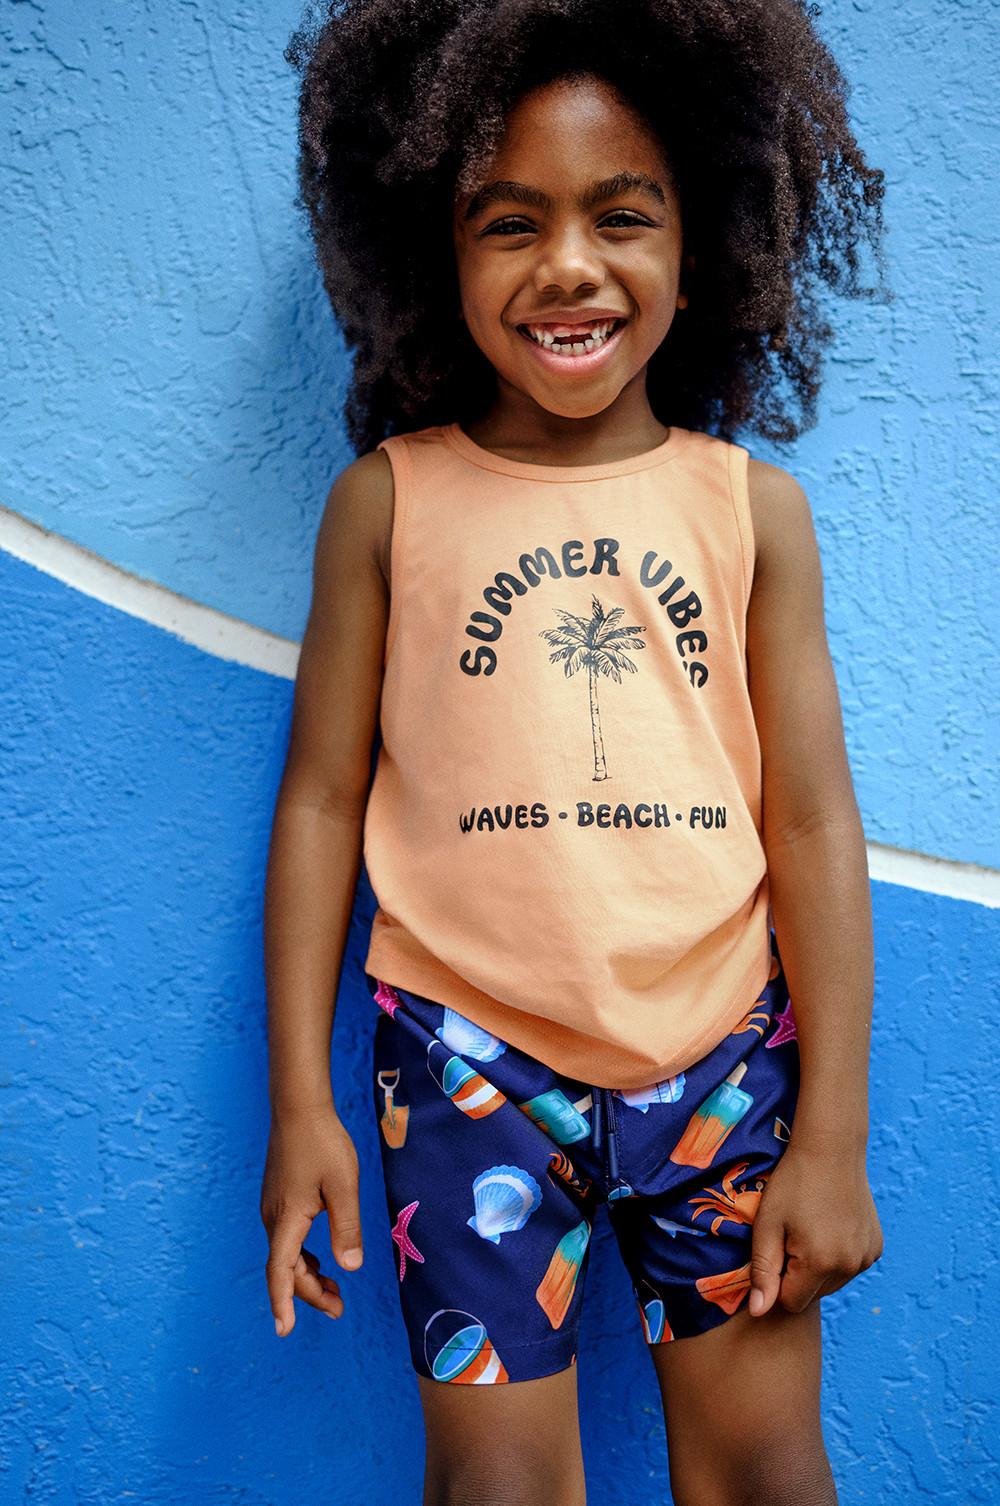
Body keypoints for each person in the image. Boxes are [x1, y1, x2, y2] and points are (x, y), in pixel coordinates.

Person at [261, 3, 890, 1501]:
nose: (569, 266)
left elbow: (808, 822)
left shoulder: (751, 513)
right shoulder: (389, 505)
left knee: (766, 1472)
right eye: (507, 222)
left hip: (725, 1061)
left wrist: (837, 1134)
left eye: (624, 216)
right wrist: (304, 1101)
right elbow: (321, 803)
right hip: (465, 1062)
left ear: (710, 240)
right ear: (432, 247)